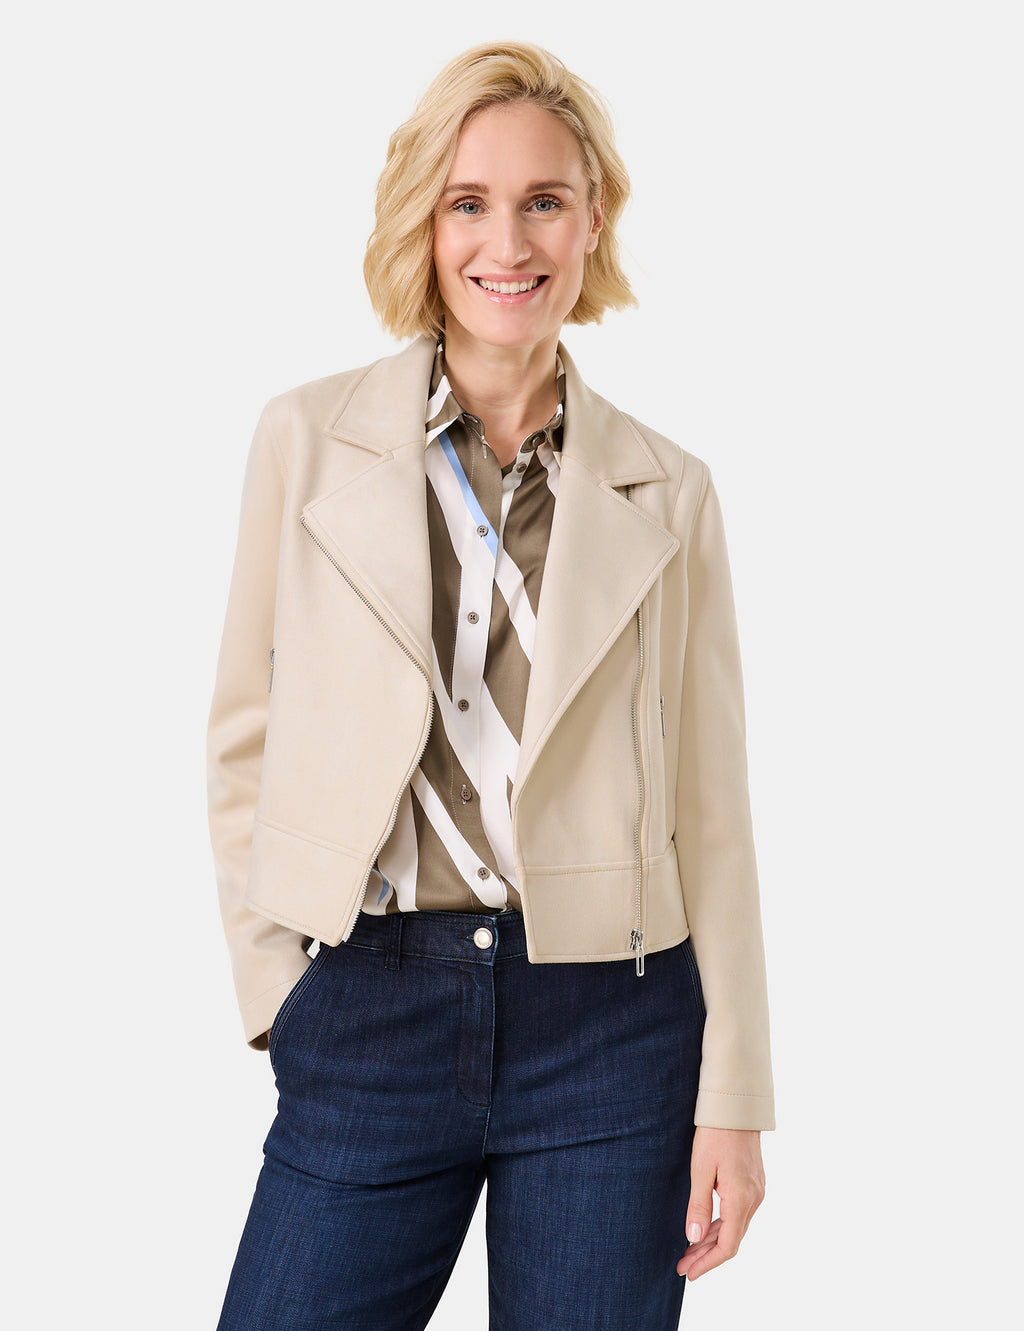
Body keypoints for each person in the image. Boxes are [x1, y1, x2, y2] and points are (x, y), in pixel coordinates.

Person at [206, 39, 774, 1331]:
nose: (507, 244)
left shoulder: (669, 492)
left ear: (593, 223)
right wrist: (281, 994)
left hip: (614, 1027)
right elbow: (245, 729)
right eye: (469, 202)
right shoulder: (305, 441)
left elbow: (713, 811)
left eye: (544, 201)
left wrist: (734, 1096)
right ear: (425, 219)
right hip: (369, 1003)